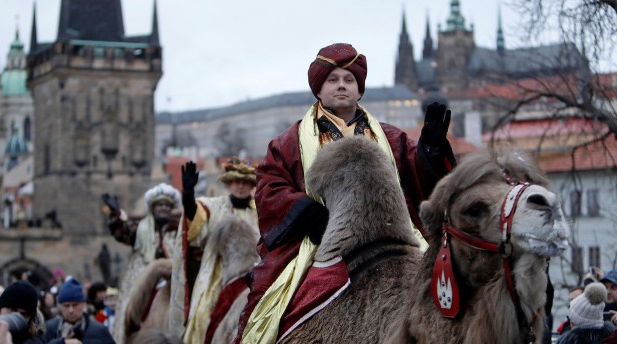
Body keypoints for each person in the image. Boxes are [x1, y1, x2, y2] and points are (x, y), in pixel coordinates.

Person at [235, 43, 455, 343]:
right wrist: (304, 211)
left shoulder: (390, 136)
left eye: (349, 80)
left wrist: (430, 150)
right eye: (333, 79)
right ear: (319, 88)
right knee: (266, 304)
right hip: (318, 243)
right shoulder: (289, 141)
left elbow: (418, 175)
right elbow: (269, 186)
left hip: (392, 239)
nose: (341, 86)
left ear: (359, 89)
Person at [169, 158, 259, 342]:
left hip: (255, 276)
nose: (240, 186)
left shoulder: (262, 209)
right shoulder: (213, 206)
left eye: (245, 182)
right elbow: (195, 222)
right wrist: (187, 194)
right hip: (216, 275)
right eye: (236, 181)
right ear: (229, 182)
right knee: (203, 316)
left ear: (251, 185)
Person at [103, 183, 181, 343]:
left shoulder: (178, 229)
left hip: (172, 277)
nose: (163, 208)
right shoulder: (141, 228)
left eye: (167, 205)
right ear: (153, 208)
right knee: (129, 305)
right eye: (160, 205)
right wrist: (116, 214)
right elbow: (123, 232)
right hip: (142, 275)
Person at [42, 278, 115, 344]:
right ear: (60, 306)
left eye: (75, 305)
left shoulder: (100, 331)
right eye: (66, 306)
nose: (71, 310)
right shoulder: (49, 329)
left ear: (83, 304)